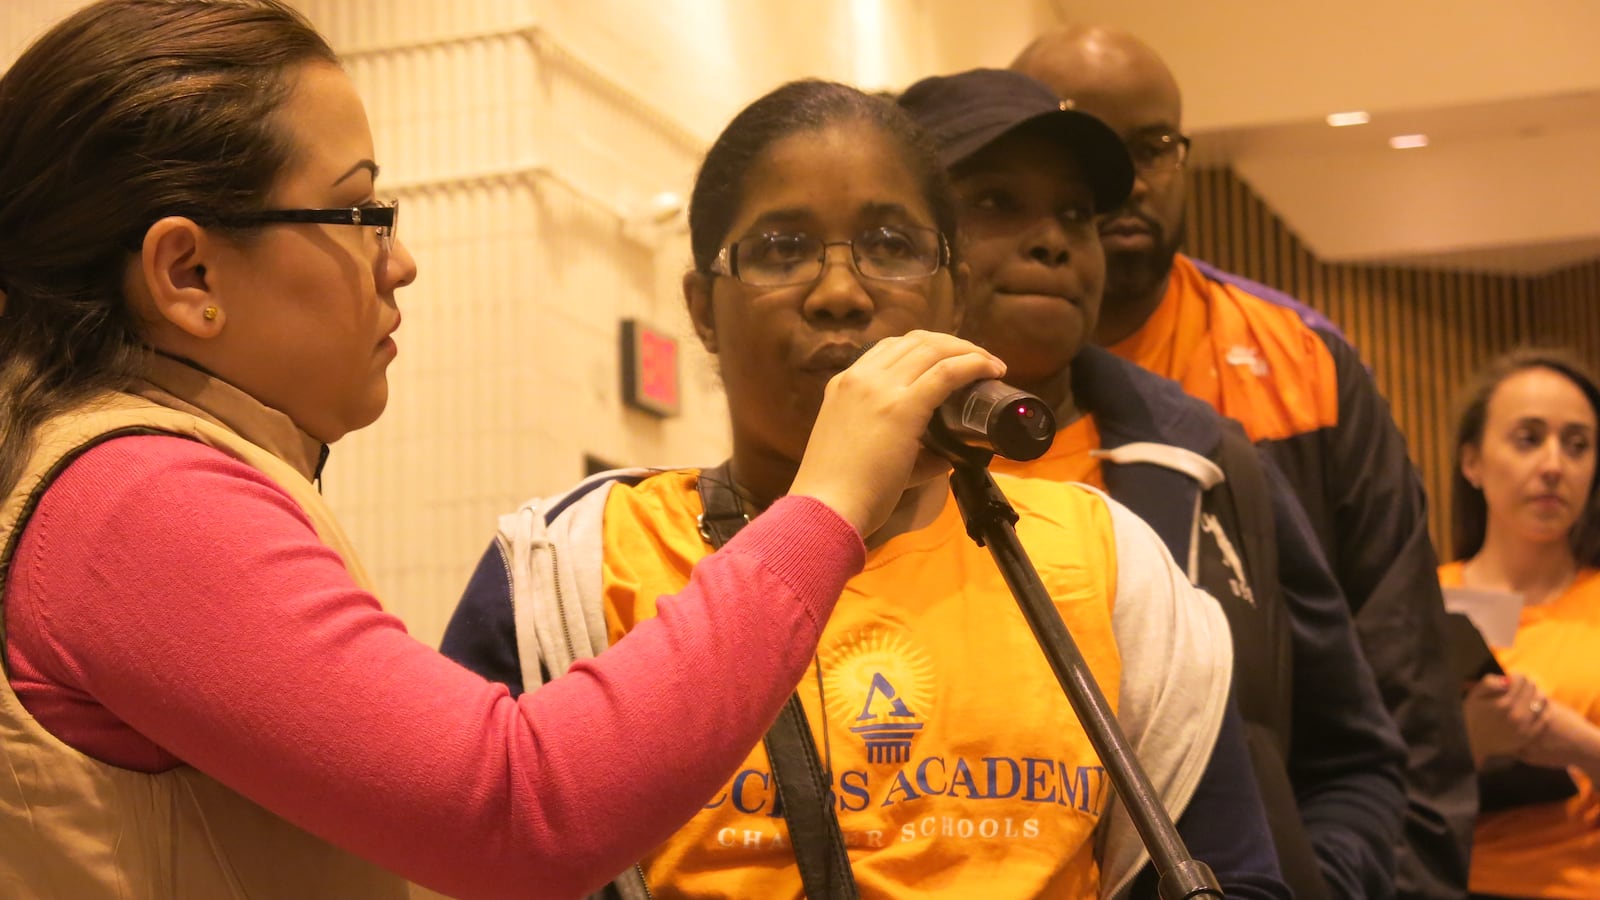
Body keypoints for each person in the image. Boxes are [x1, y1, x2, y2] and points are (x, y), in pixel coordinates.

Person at [0, 2, 1006, 898]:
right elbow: (523, 810)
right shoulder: (137, 495)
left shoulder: (135, 473)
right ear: (187, 272)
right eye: (362, 213)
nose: (400, 260)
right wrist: (827, 500)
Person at [442, 78, 1289, 899]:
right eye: (780, 250)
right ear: (702, 308)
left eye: (892, 246)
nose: (841, 293)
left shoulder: (1111, 568)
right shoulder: (571, 569)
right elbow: (469, 863)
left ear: (953, 295)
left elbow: (1232, 873)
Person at [896, 66, 1407, 900]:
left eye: (1075, 215)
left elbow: (1354, 760)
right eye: (994, 202)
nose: (1054, 240)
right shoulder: (823, 491)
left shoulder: (1211, 464)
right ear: (899, 242)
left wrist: (1311, 882)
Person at [1011, 25, 1477, 900]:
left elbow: (1402, 680)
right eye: (1095, 150)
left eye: (1154, 148)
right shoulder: (955, 397)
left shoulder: (1301, 362)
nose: (1131, 183)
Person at [1438, 349, 1600, 900]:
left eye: (1578, 445)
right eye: (1528, 439)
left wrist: (1582, 747)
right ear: (1472, 462)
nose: (1554, 464)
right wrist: (1468, 748)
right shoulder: (1417, 602)